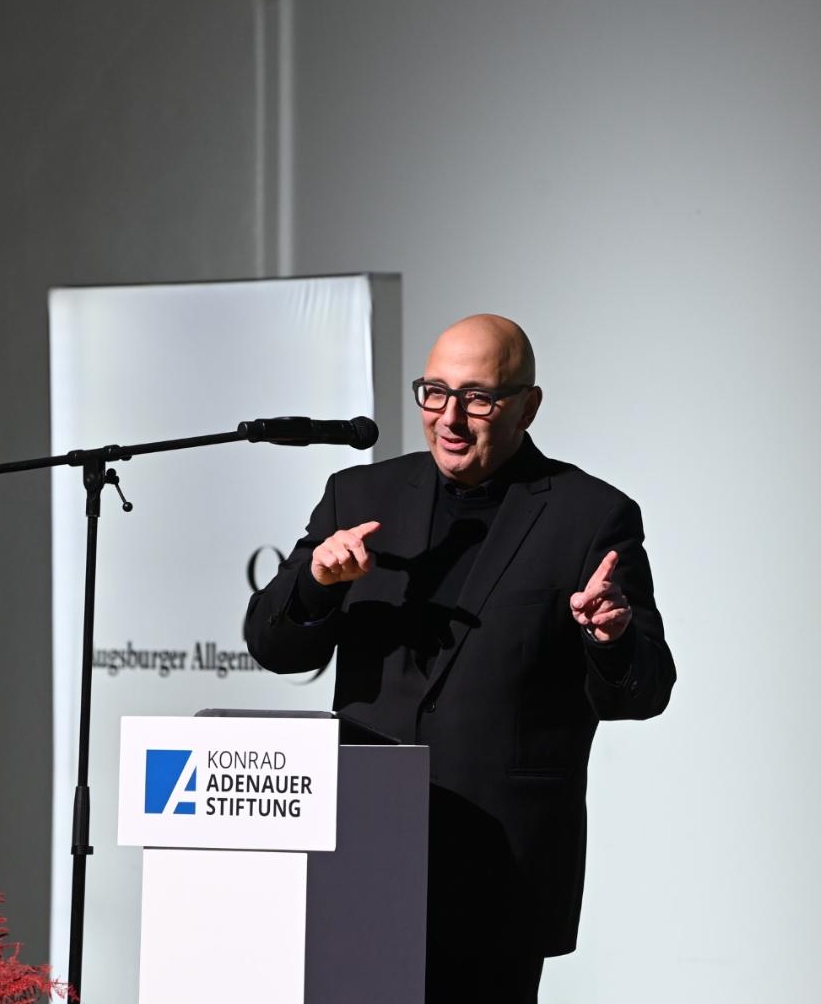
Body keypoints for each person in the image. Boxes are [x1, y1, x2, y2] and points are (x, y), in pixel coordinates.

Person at [244, 314, 675, 1002]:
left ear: (527, 407)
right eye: (435, 392)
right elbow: (271, 646)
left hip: (498, 874)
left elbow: (644, 691)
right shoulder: (360, 496)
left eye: (478, 398)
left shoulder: (591, 515)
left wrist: (610, 637)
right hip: (358, 852)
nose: (449, 417)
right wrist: (316, 585)